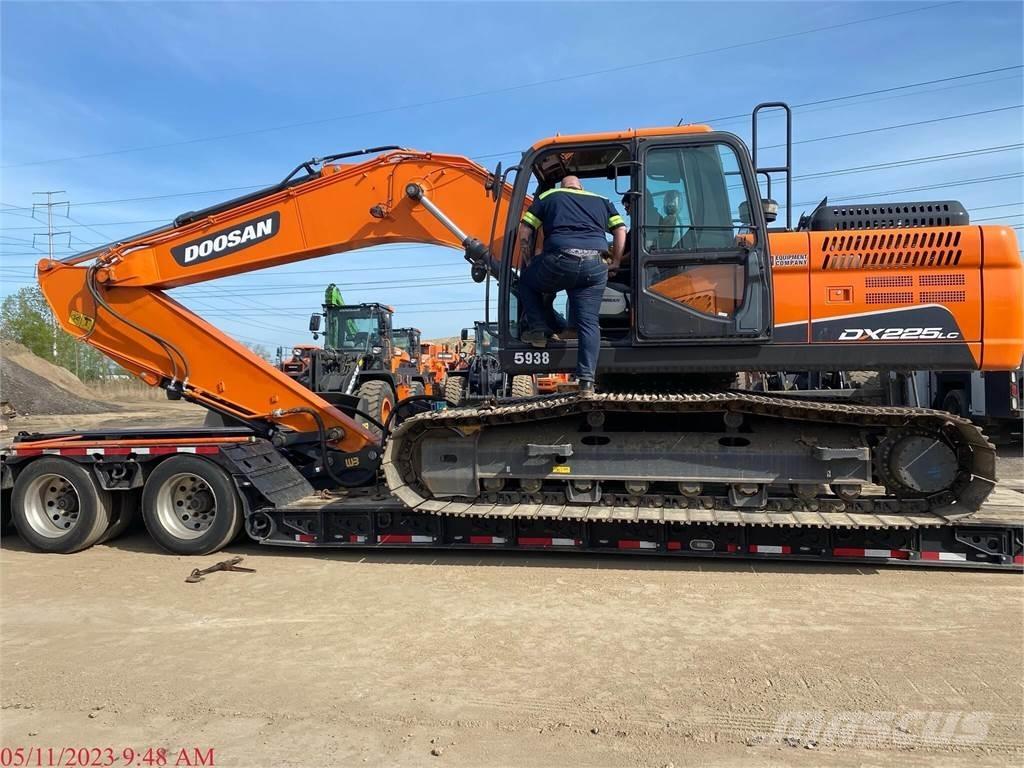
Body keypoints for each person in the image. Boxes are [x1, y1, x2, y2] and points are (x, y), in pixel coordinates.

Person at [517, 175, 626, 393]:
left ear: (563, 186)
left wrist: (529, 261)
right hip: (595, 266)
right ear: (581, 187)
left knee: (526, 281)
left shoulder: (550, 195)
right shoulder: (602, 200)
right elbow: (620, 229)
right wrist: (616, 261)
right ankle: (586, 381)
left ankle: (539, 330)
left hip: (559, 260)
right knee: (588, 323)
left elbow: (525, 230)